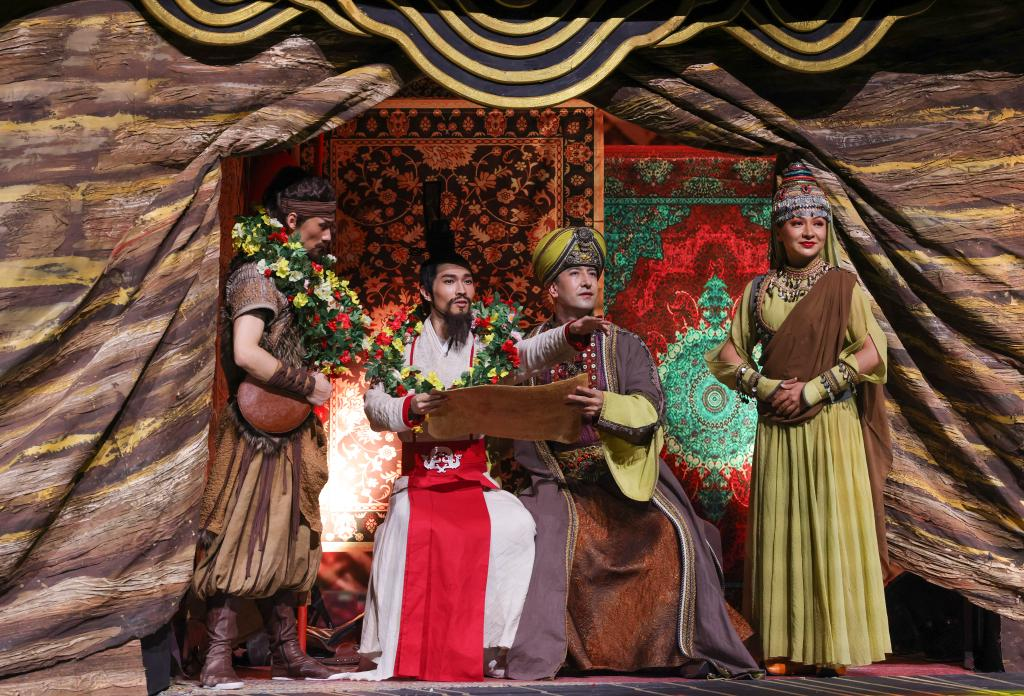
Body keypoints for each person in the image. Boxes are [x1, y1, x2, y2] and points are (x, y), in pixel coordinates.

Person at [347, 222, 607, 681]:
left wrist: (568, 334)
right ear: (426, 292)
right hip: (421, 480)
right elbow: (374, 405)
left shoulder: (486, 341)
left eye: (467, 281)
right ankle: (400, 646)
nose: (462, 290)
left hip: (473, 478)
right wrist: (410, 407)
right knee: (405, 523)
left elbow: (528, 354)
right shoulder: (399, 346)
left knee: (516, 526)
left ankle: (491, 647)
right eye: (450, 281)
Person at [507, 226, 761, 680]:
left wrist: (605, 406)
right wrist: (552, 468)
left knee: (671, 533)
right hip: (557, 479)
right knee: (553, 541)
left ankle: (669, 652)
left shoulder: (624, 344)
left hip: (623, 475)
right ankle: (568, 654)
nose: (587, 281)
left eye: (593, 273)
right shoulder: (526, 350)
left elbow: (651, 409)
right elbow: (511, 417)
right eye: (574, 273)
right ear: (552, 288)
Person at [705, 161, 892, 675]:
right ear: (778, 229)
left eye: (818, 222)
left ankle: (833, 646)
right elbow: (727, 355)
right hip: (778, 426)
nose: (809, 231)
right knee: (782, 529)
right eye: (796, 221)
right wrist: (766, 387)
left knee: (829, 527)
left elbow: (873, 351)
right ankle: (781, 645)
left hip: (831, 425)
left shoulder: (844, 287)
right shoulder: (758, 291)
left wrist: (815, 388)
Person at [192, 169, 343, 688]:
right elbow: (245, 352)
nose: (329, 236)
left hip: (293, 429)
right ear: (293, 219)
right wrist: (306, 383)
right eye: (323, 226)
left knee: (293, 535)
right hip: (255, 432)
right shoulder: (257, 275)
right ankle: (216, 654)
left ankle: (286, 651)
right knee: (243, 531)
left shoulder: (302, 279)